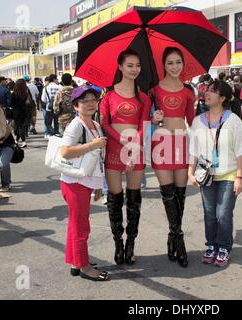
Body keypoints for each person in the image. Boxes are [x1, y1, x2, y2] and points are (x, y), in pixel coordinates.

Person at [188, 80, 242, 267]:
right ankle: (211, 245)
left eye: (213, 91)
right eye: (207, 90)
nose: (207, 93)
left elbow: (241, 150)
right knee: (209, 213)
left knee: (223, 214)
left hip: (229, 174)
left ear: (222, 98)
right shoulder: (198, 121)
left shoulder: (233, 120)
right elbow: (194, 149)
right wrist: (190, 172)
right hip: (206, 175)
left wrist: (239, 177)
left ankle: (224, 247)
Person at [100, 49, 151, 266]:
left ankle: (131, 244)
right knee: (115, 199)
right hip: (113, 150)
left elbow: (144, 125)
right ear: (120, 67)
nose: (134, 69)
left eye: (137, 65)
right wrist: (122, 141)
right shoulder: (108, 96)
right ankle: (117, 244)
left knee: (133, 200)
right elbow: (104, 123)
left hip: (136, 150)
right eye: (129, 65)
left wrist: (132, 144)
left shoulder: (144, 97)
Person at [150, 47, 195, 268]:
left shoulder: (188, 91)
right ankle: (180, 241)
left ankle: (172, 236)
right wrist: (153, 117)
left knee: (180, 197)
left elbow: (193, 123)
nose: (174, 67)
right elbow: (144, 118)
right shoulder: (153, 91)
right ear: (163, 65)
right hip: (161, 145)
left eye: (178, 62)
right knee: (168, 196)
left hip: (181, 145)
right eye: (170, 63)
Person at [60, 84, 109, 282]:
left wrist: (97, 185)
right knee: (81, 227)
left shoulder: (95, 125)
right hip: (74, 183)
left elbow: (97, 158)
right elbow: (65, 151)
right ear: (75, 106)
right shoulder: (76, 125)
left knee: (75, 225)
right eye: (85, 101)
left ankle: (75, 262)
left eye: (93, 100)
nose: (90, 104)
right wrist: (92, 144)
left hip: (85, 182)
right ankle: (84, 267)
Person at [11, 79, 30, 148]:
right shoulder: (26, 93)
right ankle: (16, 140)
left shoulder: (14, 94)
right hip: (24, 111)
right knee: (20, 126)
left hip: (16, 112)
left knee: (19, 127)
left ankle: (24, 141)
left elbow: (11, 104)